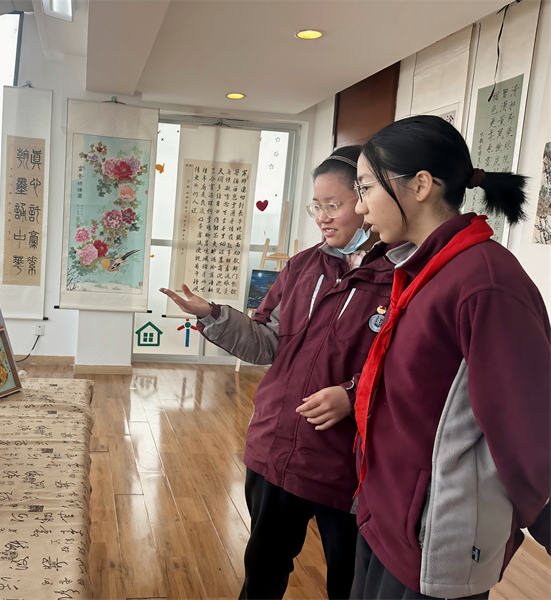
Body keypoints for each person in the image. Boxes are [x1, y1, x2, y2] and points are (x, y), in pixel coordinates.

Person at [161, 145, 400, 600]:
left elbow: (405, 366)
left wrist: (352, 394)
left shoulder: (400, 276)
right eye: (317, 206)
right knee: (263, 570)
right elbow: (266, 342)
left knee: (349, 584)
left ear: (367, 200)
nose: (322, 218)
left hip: (345, 465)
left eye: (334, 205)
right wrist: (212, 314)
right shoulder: (302, 266)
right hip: (276, 449)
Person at [350, 115, 551, 599]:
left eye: (366, 188)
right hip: (387, 514)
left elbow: (526, 426)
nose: (359, 207)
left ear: (420, 185)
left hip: (433, 537)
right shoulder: (426, 267)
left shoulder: (485, 281)